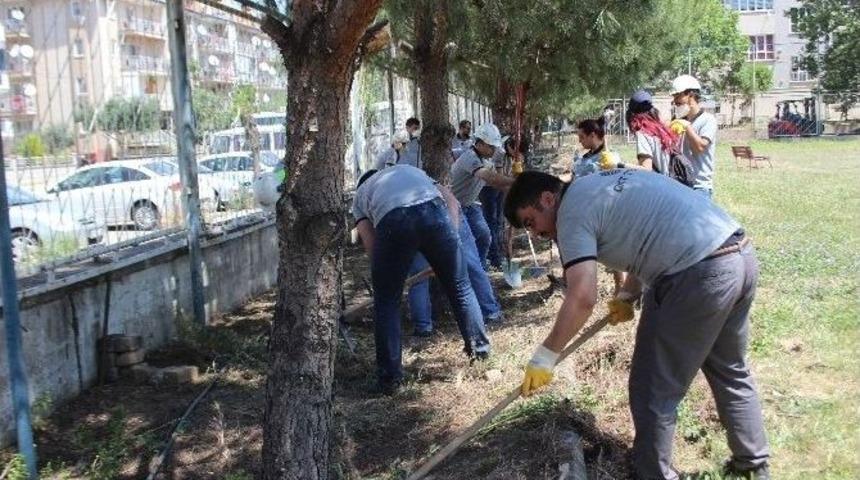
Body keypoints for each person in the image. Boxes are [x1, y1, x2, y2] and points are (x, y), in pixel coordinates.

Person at [504, 170, 770, 480]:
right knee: (730, 369)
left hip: (696, 275)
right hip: (737, 254)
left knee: (652, 388)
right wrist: (628, 293)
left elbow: (582, 295)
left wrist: (546, 355)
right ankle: (753, 465)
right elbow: (649, 231)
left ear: (547, 199)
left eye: (530, 222)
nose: (536, 234)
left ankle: (653, 474)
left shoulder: (570, 213)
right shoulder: (596, 185)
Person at [353, 165, 491, 394]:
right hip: (434, 213)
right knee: (461, 287)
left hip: (393, 220)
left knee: (386, 302)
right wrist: (451, 244)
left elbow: (371, 246)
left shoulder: (360, 195)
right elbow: (453, 202)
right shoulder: (410, 169)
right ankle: (481, 352)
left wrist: (388, 275)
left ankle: (390, 378)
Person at [570, 118, 627, 295]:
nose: (580, 141)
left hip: (606, 212)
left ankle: (622, 288)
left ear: (593, 135)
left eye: (582, 136)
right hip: (585, 212)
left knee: (615, 252)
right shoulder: (584, 158)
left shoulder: (610, 157)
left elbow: (619, 183)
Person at [451, 123, 515, 268]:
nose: (494, 150)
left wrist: (515, 192)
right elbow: (490, 178)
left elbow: (497, 183)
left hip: (468, 205)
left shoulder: (486, 160)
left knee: (484, 235)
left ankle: (479, 268)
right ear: (479, 144)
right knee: (464, 242)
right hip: (454, 206)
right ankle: (469, 271)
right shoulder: (470, 157)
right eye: (491, 147)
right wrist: (515, 181)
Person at [669, 75, 719, 198]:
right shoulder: (678, 120)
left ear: (690, 95)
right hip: (679, 184)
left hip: (699, 187)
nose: (675, 101)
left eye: (678, 96)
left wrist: (687, 126)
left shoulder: (708, 120)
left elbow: (700, 148)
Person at [625, 90, 676, 176]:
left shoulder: (642, 133)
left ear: (632, 115)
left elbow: (646, 169)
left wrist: (619, 165)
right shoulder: (660, 129)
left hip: (662, 185)